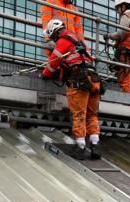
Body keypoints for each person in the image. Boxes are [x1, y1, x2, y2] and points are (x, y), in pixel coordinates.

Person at [42, 19, 102, 160]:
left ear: (54, 33)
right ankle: (95, 145)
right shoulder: (77, 39)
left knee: (79, 114)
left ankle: (80, 147)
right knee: (92, 114)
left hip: (79, 79)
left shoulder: (63, 41)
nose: (52, 40)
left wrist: (45, 74)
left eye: (51, 37)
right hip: (93, 78)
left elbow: (53, 62)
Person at [103, 0, 130, 95]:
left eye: (118, 8)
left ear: (123, 6)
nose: (117, 11)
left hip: (125, 53)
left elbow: (120, 35)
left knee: (125, 77)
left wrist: (108, 35)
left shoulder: (126, 16)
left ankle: (127, 101)